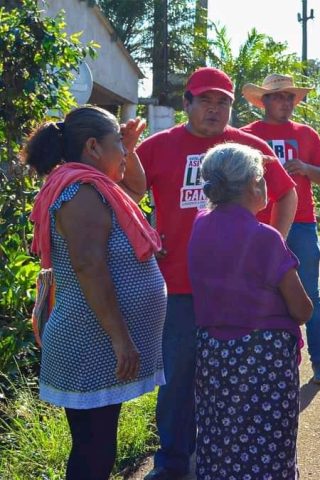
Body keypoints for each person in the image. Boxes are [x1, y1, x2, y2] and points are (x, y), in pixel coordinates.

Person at [136, 67, 298, 480]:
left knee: (234, 385)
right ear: (186, 104)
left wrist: (270, 246)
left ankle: (229, 464)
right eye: (205, 100)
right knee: (177, 380)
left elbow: (287, 192)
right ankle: (174, 463)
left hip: (242, 293)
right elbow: (128, 193)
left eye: (223, 101)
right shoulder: (158, 147)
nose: (215, 109)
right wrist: (147, 238)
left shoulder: (250, 146)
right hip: (179, 288)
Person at [25, 106, 166, 479]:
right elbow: (89, 267)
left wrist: (130, 149)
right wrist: (121, 340)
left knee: (98, 447)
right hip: (91, 343)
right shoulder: (80, 192)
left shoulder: (96, 185)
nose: (122, 150)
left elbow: (136, 188)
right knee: (93, 450)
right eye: (117, 143)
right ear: (92, 147)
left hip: (95, 342)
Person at [188, 143, 312, 479]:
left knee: (220, 438)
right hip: (263, 358)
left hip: (214, 353)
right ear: (253, 185)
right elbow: (302, 309)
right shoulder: (265, 237)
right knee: (270, 443)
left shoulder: (200, 224)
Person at [241, 74, 320, 385]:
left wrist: (307, 169)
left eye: (289, 98)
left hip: (302, 223)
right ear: (263, 101)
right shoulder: (245, 135)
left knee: (310, 294)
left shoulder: (306, 134)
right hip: (256, 224)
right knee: (258, 292)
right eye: (278, 97)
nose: (285, 103)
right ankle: (267, 362)